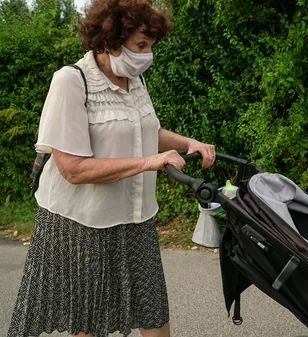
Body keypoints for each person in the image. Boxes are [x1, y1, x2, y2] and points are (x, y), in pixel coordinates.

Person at [7, 1, 214, 336]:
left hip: (136, 216)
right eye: (141, 46)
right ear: (111, 41)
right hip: (82, 222)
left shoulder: (134, 79)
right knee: (88, 321)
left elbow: (146, 130)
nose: (147, 56)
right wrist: (149, 162)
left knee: (153, 311)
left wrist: (187, 142)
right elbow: (72, 169)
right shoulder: (71, 82)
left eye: (151, 47)